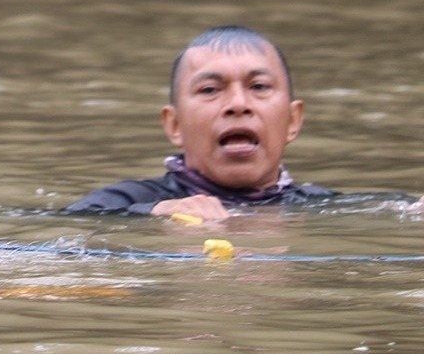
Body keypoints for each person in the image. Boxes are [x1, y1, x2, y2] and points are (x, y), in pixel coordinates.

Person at [65, 25, 337, 220]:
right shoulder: (125, 203)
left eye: (259, 86)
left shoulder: (324, 208)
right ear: (174, 125)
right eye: (210, 90)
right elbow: (52, 231)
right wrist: (153, 216)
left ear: (293, 120)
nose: (238, 104)